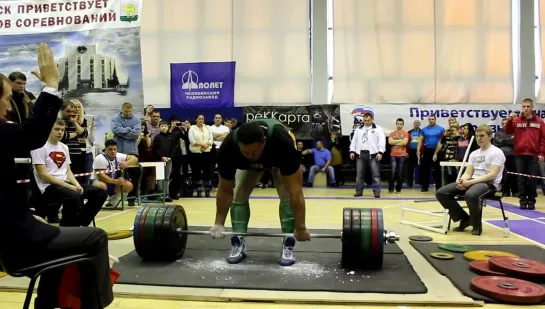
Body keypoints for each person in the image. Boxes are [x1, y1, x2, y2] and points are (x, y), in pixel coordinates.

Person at [0, 44, 114, 309]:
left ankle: (46, 304)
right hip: (18, 242)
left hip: (13, 234)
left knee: (62, 245)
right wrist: (52, 84)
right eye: (5, 98)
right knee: (95, 238)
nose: (8, 107)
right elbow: (32, 134)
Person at [210, 119, 310, 266]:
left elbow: (296, 191)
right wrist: (219, 222)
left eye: (255, 151)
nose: (251, 155)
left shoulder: (283, 143)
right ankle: (238, 241)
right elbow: (225, 189)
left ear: (264, 141)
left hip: (277, 160)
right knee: (239, 193)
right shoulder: (228, 148)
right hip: (248, 166)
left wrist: (300, 227)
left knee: (287, 195)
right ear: (238, 145)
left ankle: (288, 242)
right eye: (246, 152)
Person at [31, 118, 108, 226]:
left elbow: (68, 171)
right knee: (73, 196)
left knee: (100, 193)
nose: (60, 132)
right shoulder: (39, 147)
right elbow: (43, 175)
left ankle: (81, 222)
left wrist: (76, 184)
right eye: (56, 129)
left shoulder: (64, 147)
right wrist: (68, 186)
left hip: (65, 183)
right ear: (49, 129)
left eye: (62, 130)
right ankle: (67, 228)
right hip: (49, 187)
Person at [435, 125, 505, 236]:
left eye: (482, 136)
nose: (479, 138)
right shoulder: (474, 154)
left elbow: (492, 175)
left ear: (490, 136)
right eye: (477, 136)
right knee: (441, 193)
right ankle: (465, 219)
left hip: (489, 184)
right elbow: (468, 173)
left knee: (471, 194)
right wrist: (462, 180)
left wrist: (470, 183)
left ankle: (476, 225)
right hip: (472, 181)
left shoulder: (497, 152)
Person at [505, 98, 545, 210]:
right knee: (521, 179)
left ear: (532, 107)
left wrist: (542, 153)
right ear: (522, 107)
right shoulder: (516, 120)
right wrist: (509, 120)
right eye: (524, 106)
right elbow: (508, 131)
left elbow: (543, 139)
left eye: (528, 106)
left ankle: (531, 201)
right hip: (519, 153)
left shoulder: (539, 122)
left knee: (532, 179)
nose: (526, 108)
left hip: (534, 154)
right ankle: (523, 200)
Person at [90, 139, 138, 206]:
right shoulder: (99, 158)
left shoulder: (118, 156)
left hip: (111, 182)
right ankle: (97, 201)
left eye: (115, 149)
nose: (113, 151)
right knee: (102, 185)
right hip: (97, 181)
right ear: (105, 149)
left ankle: (114, 199)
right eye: (110, 149)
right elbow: (101, 178)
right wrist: (116, 181)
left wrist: (126, 163)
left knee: (129, 185)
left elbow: (135, 158)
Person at [349, 112, 386, 198]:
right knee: (359, 175)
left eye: (368, 120)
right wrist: (352, 151)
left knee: (375, 174)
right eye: (365, 120)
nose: (366, 122)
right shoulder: (359, 129)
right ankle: (359, 191)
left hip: (373, 154)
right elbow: (354, 140)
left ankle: (377, 191)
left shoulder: (378, 129)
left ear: (372, 119)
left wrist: (380, 152)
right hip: (360, 154)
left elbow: (381, 141)